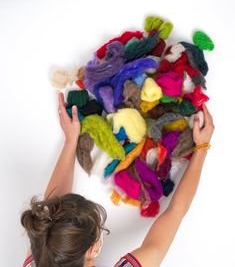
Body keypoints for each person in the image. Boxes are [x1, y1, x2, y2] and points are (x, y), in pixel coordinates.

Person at [21, 93, 214, 267]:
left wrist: (71, 142)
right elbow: (175, 212)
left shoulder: (43, 252)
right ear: (93, 249)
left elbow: (51, 214)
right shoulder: (40, 254)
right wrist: (202, 147)